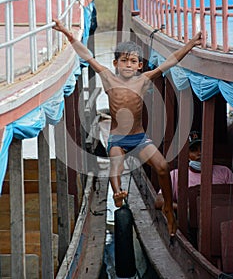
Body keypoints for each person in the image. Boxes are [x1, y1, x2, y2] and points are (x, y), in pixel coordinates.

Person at [53, 18, 203, 236]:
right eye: (124, 61)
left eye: (133, 62)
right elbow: (85, 55)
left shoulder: (143, 80)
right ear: (116, 64)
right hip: (116, 138)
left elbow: (170, 61)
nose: (128, 65)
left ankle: (169, 208)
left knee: (161, 166)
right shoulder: (107, 78)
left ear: (139, 66)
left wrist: (191, 44)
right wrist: (66, 31)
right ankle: (117, 194)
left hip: (139, 137)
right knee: (116, 166)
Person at [155, 131, 233, 209]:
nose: (200, 153)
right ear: (186, 155)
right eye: (194, 150)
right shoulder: (175, 175)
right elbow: (159, 201)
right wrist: (184, 209)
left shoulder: (224, 172)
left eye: (202, 148)